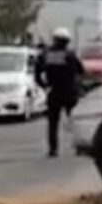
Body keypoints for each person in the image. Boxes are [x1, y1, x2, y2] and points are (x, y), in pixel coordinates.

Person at [35, 27, 84, 158]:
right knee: (74, 121)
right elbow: (81, 71)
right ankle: (79, 146)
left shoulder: (46, 55)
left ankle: (53, 149)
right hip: (69, 92)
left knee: (53, 123)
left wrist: (44, 85)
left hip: (54, 91)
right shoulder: (70, 55)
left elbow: (37, 73)